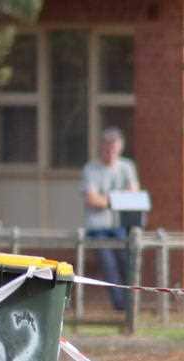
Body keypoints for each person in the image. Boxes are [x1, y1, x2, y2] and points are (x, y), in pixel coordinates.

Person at [81, 127, 139, 311]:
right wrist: (118, 199)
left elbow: (133, 195)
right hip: (98, 228)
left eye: (114, 149)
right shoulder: (90, 168)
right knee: (109, 266)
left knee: (127, 264)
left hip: (120, 226)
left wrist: (105, 199)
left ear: (120, 148)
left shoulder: (127, 167)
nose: (110, 153)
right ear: (101, 148)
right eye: (107, 149)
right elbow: (91, 199)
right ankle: (121, 308)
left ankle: (132, 306)